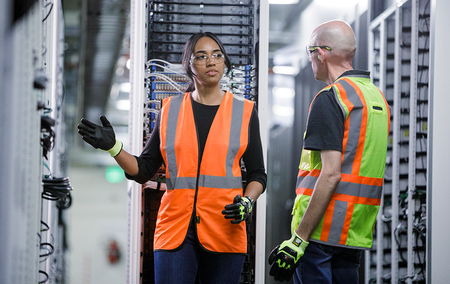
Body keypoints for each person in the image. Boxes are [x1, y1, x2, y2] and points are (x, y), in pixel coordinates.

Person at [77, 32, 267, 284]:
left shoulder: (245, 111)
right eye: (202, 56)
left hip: (224, 227)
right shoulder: (170, 110)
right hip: (175, 228)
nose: (211, 61)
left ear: (225, 63)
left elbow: (258, 174)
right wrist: (113, 147)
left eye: (217, 55)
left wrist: (247, 202)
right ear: (189, 65)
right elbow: (143, 169)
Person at [268, 20, 390, 283]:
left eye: (309, 53)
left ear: (320, 54)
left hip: (319, 233)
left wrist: (298, 240)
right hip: (352, 233)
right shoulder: (376, 99)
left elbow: (331, 174)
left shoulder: (331, 97)